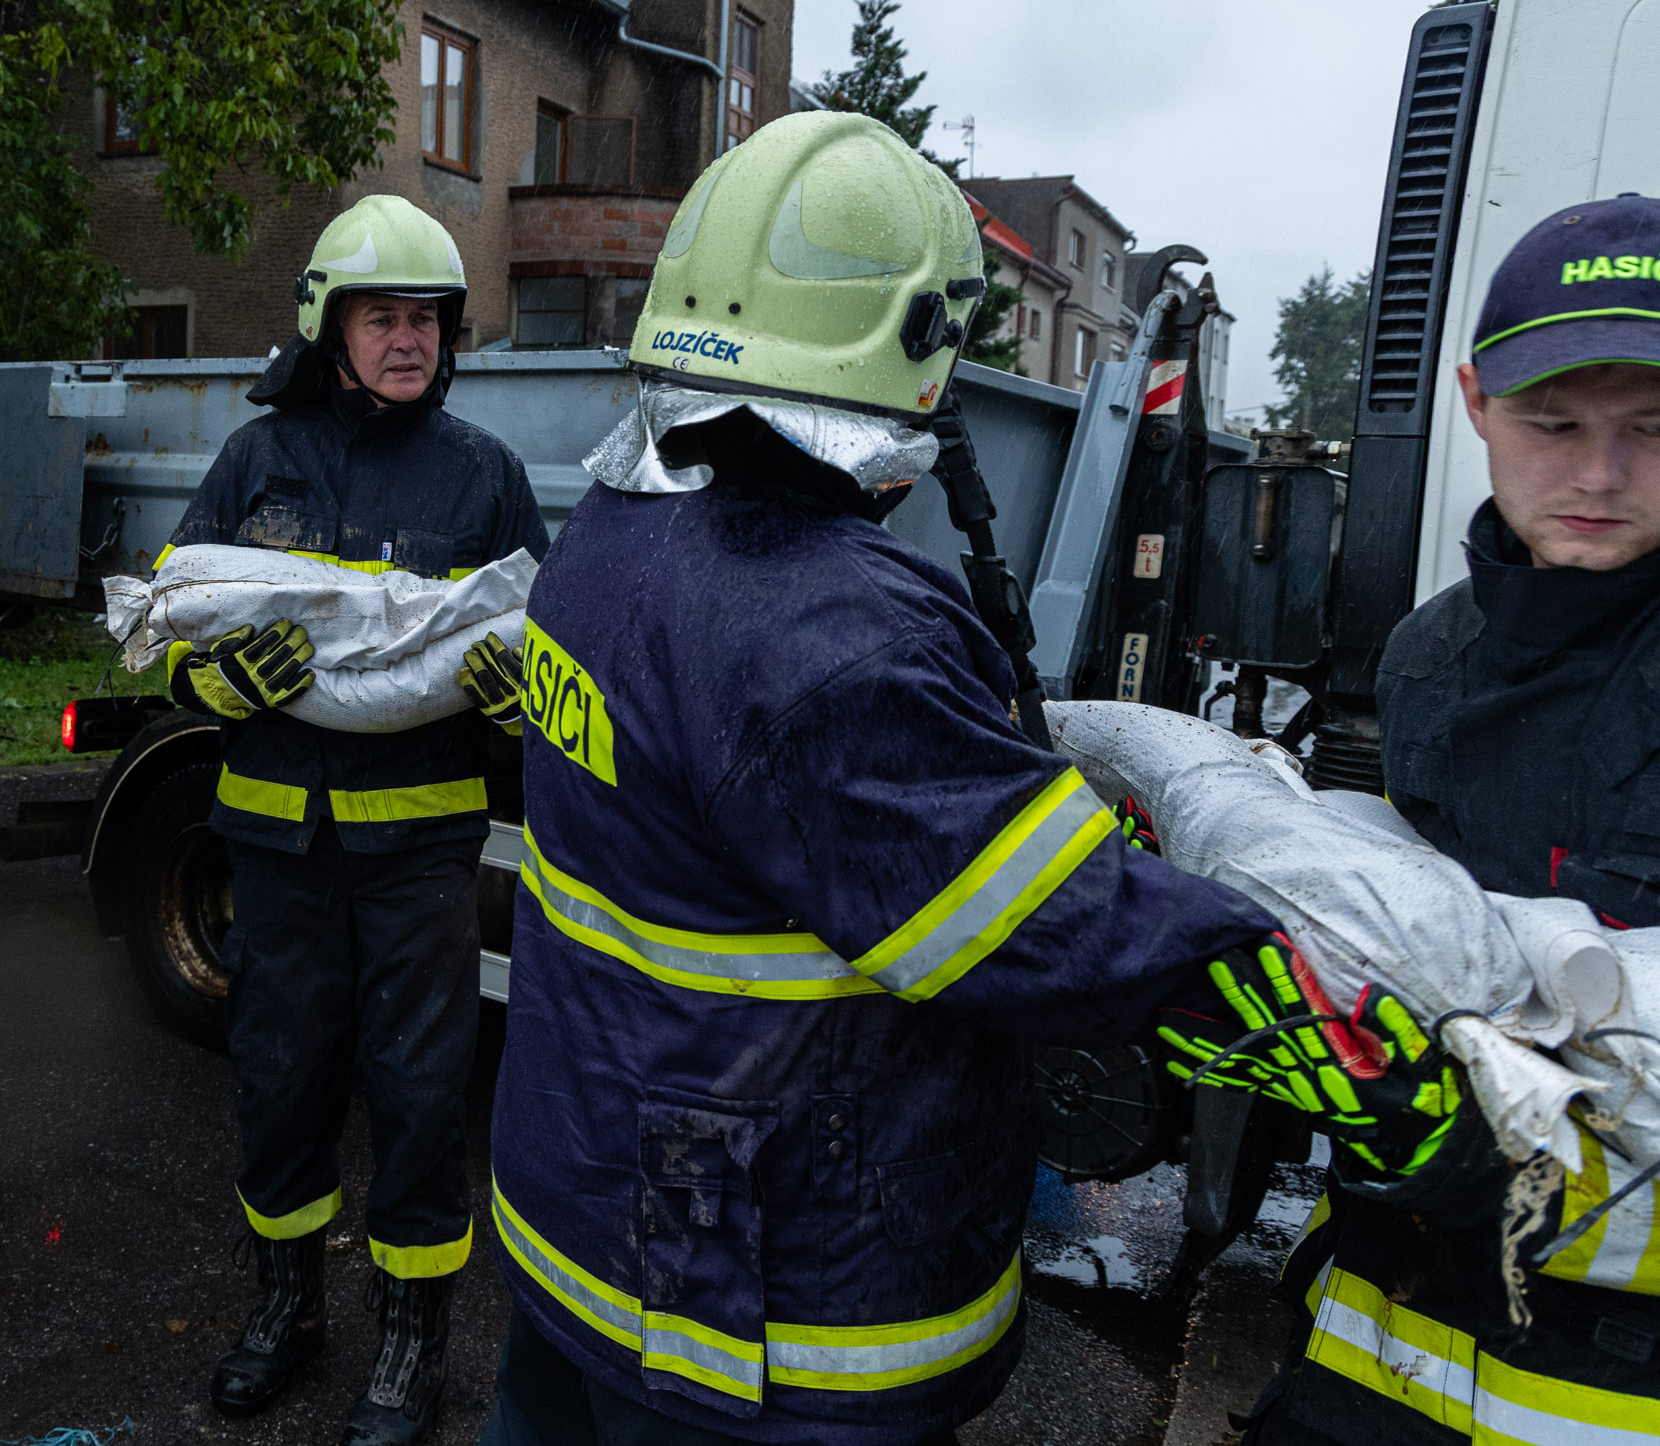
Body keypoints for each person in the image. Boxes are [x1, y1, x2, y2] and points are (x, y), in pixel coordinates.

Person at [475, 113, 1349, 1446]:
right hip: (754, 1309)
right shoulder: (838, 638)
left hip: (581, 1231)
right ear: (917, 344)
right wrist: (1316, 971)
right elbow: (1044, 925)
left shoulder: (604, 544)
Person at [1198, 195, 1660, 1442]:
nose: (1598, 474)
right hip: (1380, 1333)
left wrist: (1519, 1145)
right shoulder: (1425, 660)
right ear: (1473, 402)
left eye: (1652, 430)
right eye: (1552, 423)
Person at [161, 193, 548, 1446]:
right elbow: (175, 633)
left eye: (427, 319)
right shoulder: (252, 461)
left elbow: (537, 647)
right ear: (328, 326)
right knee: (279, 1083)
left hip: (416, 858)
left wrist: (509, 696)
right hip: (273, 850)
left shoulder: (482, 476)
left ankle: (409, 1342)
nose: (407, 340)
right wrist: (219, 681)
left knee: (423, 1095)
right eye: (382, 316)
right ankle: (289, 1310)